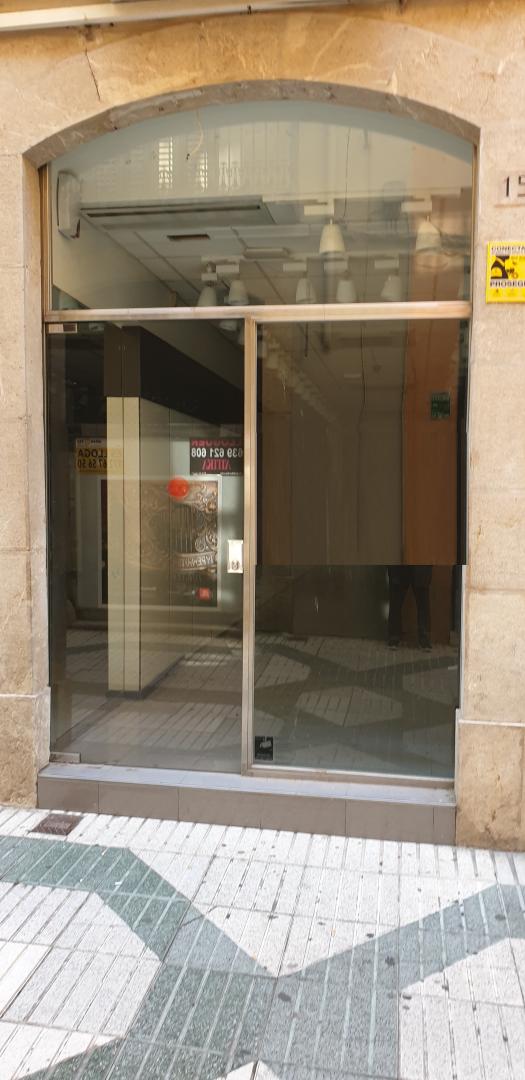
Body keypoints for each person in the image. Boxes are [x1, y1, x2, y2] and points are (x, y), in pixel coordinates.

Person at [387, 565, 432, 650]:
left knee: (422, 602)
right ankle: (394, 636)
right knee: (396, 601)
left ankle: (424, 638)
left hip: (420, 565)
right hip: (401, 565)